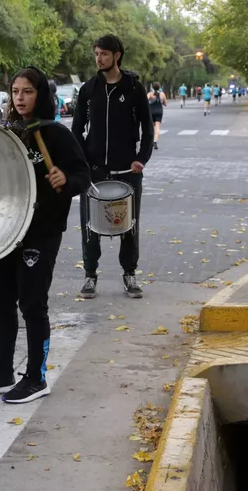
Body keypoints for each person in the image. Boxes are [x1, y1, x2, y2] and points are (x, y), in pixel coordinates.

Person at [0, 67, 90, 404]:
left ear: (41, 96)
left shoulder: (56, 134)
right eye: (16, 91)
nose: (20, 99)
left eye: (28, 92)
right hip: (5, 229)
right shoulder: (5, 132)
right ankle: (3, 372)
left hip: (41, 231)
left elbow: (83, 175)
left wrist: (66, 180)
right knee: (0, 299)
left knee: (33, 303)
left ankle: (36, 377)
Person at [72, 34, 153, 299]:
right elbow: (77, 130)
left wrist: (141, 158)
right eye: (96, 53)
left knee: (129, 224)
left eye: (104, 54)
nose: (99, 58)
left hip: (127, 171)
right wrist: (83, 161)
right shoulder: (89, 89)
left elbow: (148, 128)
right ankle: (90, 276)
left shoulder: (133, 88)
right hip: (94, 172)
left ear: (117, 55)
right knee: (89, 225)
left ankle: (129, 274)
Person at [147, 82, 167, 149]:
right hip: (159, 112)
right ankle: (155, 141)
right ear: (159, 87)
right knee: (157, 127)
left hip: (151, 111)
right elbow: (165, 104)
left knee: (151, 127)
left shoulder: (150, 94)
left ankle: (150, 141)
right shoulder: (162, 94)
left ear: (153, 87)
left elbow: (145, 101)